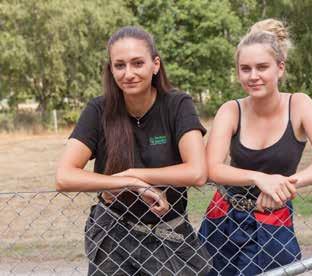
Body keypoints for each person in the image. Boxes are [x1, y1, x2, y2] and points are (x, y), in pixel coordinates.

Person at [56, 26, 211, 276]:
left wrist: (134, 174)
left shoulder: (177, 104)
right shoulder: (98, 110)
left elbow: (197, 172)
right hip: (113, 233)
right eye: (120, 65)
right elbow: (64, 177)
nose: (128, 73)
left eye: (138, 63)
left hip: (168, 232)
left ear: (155, 64)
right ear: (111, 69)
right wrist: (133, 184)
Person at [199, 18, 312, 275]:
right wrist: (260, 178)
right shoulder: (231, 110)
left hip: (272, 219)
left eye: (262, 67)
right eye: (245, 69)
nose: (253, 76)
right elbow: (211, 168)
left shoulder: (299, 105)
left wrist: (283, 184)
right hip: (222, 218)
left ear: (280, 68)